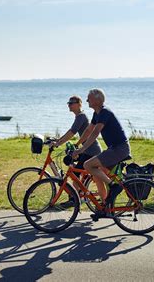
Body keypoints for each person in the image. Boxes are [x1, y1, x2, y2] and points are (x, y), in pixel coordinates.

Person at [73, 88, 131, 219]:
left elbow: (95, 133)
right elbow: (88, 130)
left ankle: (113, 186)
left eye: (89, 98)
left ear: (97, 99)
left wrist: (81, 150)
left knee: (88, 165)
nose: (87, 100)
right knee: (98, 172)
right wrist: (77, 144)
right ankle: (106, 206)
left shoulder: (105, 112)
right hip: (114, 148)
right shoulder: (97, 113)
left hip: (119, 149)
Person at [52, 95, 102, 205]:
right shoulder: (79, 117)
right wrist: (58, 140)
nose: (69, 105)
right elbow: (73, 132)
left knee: (74, 174)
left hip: (91, 151)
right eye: (68, 103)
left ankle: (77, 198)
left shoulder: (81, 116)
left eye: (72, 102)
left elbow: (72, 132)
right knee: (72, 167)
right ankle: (77, 195)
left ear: (79, 103)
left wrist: (58, 143)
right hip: (87, 150)